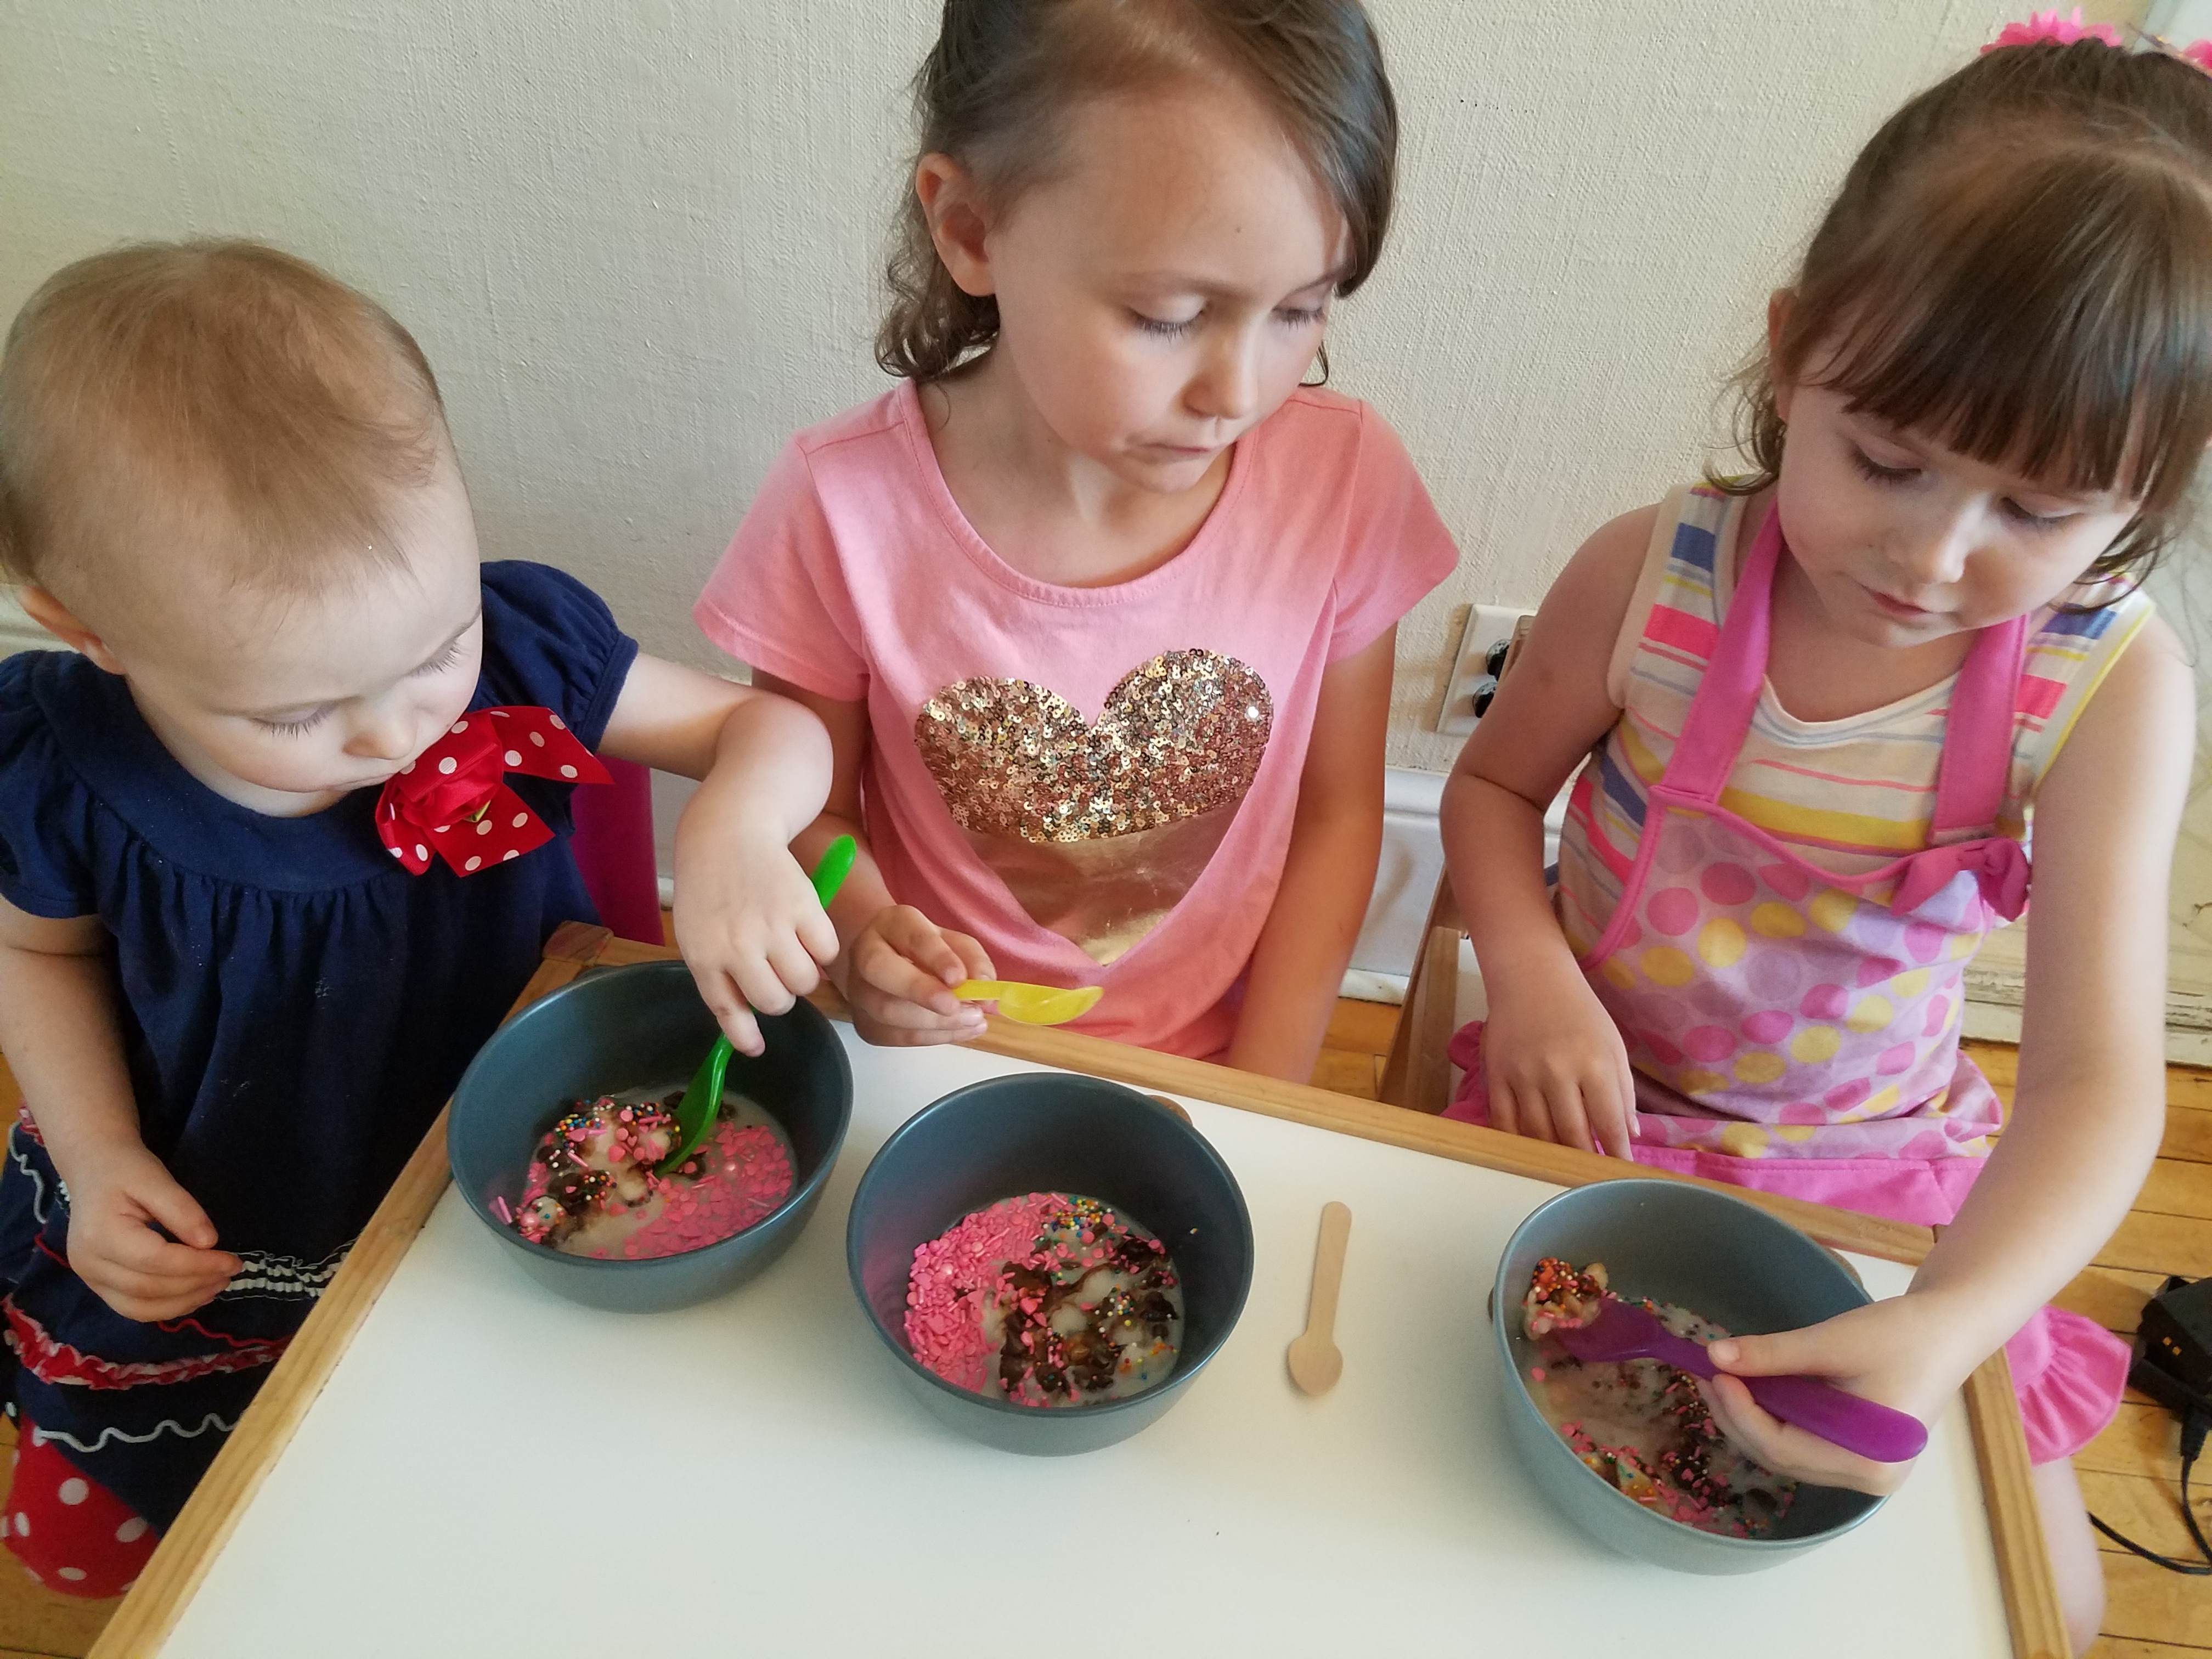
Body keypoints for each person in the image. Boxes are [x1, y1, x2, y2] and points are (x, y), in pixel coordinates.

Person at [1440, 25, 2207, 1650]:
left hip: (1876, 1170)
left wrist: (1952, 1322)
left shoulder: (2110, 691)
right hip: (1592, 1114)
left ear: (2144, 502)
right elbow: (1495, 796)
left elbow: (2094, 1086)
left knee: (2046, 1603)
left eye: (2038, 511)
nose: (1932, 556)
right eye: (1886, 461)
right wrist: (1529, 970)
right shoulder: (1652, 577)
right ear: (1793, 356)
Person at [0, 240, 837, 1593]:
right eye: (296, 714)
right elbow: (30, 952)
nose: (402, 731)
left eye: (439, 647)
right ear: (88, 628)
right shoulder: (64, 771)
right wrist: (95, 1159)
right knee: (121, 1565)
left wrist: (736, 831)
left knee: (484, 1540)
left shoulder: (523, 648)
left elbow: (767, 728)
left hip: (517, 1190)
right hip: (216, 1224)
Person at [695, 0, 1457, 1080]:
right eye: (1166, 316)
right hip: (936, 1056)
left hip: (1220, 1070)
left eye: (1301, 309)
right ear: (971, 230)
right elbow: (807, 807)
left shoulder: (1345, 479)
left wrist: (1267, 1095)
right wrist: (866, 944)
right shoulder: (841, 506)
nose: (1238, 393)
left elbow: (1338, 816)